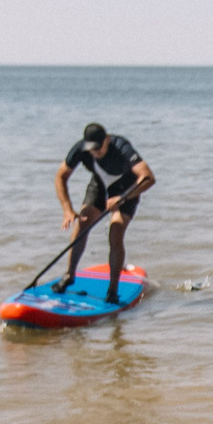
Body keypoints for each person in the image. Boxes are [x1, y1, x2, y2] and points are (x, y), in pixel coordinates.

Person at [51, 123, 155, 303]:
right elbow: (61, 176)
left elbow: (148, 177)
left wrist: (123, 198)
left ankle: (113, 291)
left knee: (116, 231)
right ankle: (69, 275)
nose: (95, 152)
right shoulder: (80, 149)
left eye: (99, 148)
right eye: (91, 149)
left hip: (127, 188)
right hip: (99, 185)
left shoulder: (121, 146)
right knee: (82, 222)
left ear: (107, 139)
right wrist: (67, 209)